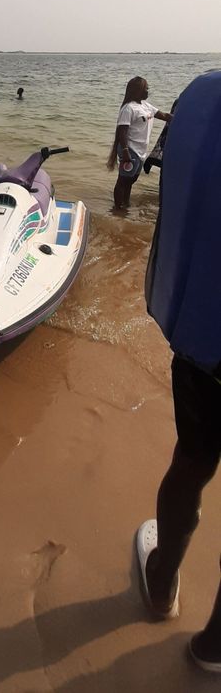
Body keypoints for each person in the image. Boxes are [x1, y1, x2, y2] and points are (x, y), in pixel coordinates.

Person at [136, 70, 221, 671]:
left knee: (190, 463)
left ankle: (163, 581)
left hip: (207, 341)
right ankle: (216, 644)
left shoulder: (201, 96)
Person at [107, 77, 172, 209]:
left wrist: (184, 115)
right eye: (146, 89)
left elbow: (164, 116)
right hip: (130, 149)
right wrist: (125, 151)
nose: (148, 91)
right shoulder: (128, 108)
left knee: (132, 179)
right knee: (123, 180)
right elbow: (122, 132)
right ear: (137, 90)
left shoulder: (146, 106)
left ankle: (126, 203)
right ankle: (118, 209)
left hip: (141, 150)